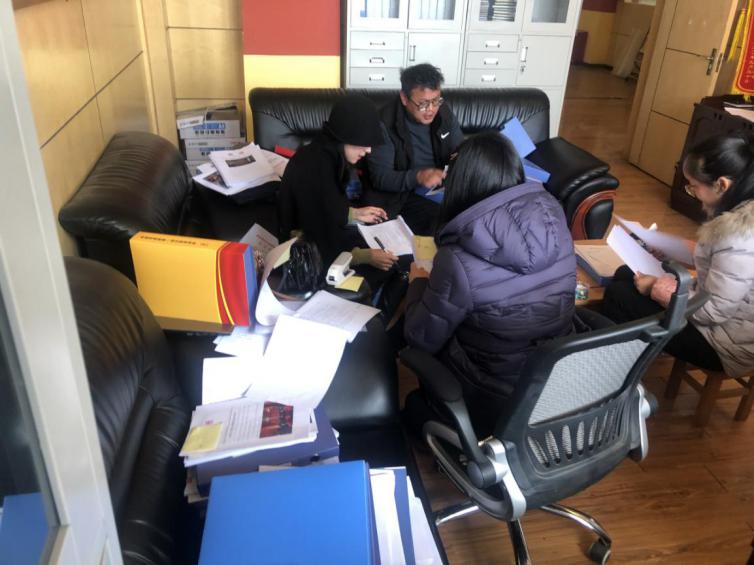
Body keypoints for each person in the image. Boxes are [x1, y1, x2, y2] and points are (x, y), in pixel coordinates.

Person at [403, 132, 577, 435]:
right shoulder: (556, 221)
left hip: (493, 394)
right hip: (558, 381)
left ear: (461, 182)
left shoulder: (456, 259)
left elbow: (421, 337)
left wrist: (417, 283)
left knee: (412, 407)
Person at [601, 132, 754, 377]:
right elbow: (719, 262)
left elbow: (712, 312)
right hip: (721, 321)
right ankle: (636, 351)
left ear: (721, 185)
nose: (692, 192)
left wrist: (655, 288)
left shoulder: (738, 237)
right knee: (625, 273)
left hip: (724, 344)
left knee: (619, 295)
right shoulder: (741, 213)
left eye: (694, 186)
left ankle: (614, 374)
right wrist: (668, 249)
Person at [278, 95, 399, 282]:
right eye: (364, 142)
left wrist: (353, 214)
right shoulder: (318, 170)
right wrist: (365, 256)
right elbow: (319, 239)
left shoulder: (322, 154)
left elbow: (322, 210)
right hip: (309, 262)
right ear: (346, 136)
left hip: (322, 244)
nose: (369, 150)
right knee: (394, 270)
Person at [366, 63, 464, 235]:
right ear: (404, 98)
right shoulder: (384, 123)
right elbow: (381, 178)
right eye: (423, 103)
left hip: (441, 187)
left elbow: (460, 150)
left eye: (436, 101)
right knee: (444, 221)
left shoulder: (444, 113)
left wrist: (461, 160)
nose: (431, 110)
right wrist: (419, 176)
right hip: (402, 196)